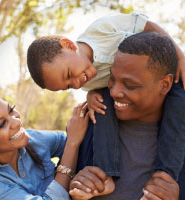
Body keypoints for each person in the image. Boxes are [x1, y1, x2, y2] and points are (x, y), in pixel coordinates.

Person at [27, 12, 185, 183]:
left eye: (69, 74)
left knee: (178, 108)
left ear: (69, 45)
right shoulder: (87, 82)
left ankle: (165, 175)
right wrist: (91, 94)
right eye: (69, 86)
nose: (77, 83)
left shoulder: (100, 30)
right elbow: (103, 88)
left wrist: (180, 57)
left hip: (164, 69)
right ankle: (104, 173)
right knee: (101, 109)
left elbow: (147, 25)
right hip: (121, 94)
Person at [70, 31, 181, 199]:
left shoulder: (178, 140)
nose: (114, 92)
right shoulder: (87, 123)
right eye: (112, 79)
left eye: (130, 85)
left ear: (165, 84)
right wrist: (75, 188)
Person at [0, 88, 93, 200]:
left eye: (11, 110)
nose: (17, 122)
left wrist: (93, 97)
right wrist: (72, 145)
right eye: (2, 124)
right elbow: (72, 142)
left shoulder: (33, 139)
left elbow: (77, 139)